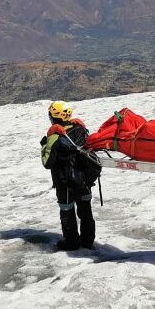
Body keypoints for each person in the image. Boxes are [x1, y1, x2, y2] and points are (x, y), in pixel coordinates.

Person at [40, 100, 100, 250]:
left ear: (53, 116)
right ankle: (88, 242)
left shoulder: (54, 136)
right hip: (84, 180)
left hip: (65, 182)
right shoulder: (81, 129)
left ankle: (71, 244)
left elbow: (47, 163)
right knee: (85, 211)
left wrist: (44, 146)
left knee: (67, 212)